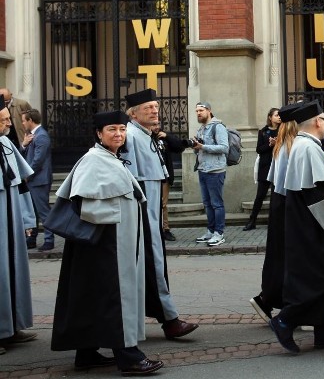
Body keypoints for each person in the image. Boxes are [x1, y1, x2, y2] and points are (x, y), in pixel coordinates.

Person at [50, 110, 164, 375]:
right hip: (107, 244)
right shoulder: (94, 160)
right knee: (115, 297)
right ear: (99, 133)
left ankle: (86, 352)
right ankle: (129, 357)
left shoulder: (110, 158)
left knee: (92, 295)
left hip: (107, 244)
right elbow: (86, 204)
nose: (118, 134)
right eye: (112, 129)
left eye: (122, 130)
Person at [269, 101, 324, 353]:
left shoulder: (303, 146)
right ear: (317, 122)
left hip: (310, 222)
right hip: (315, 225)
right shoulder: (308, 148)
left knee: (323, 276)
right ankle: (284, 320)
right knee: (320, 277)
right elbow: (321, 192)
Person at [123, 88, 198, 339]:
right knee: (151, 262)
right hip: (143, 207)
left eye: (156, 107)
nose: (155, 111)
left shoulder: (146, 134)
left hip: (152, 205)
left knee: (154, 262)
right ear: (134, 114)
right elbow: (130, 176)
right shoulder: (131, 136)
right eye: (148, 108)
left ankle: (167, 318)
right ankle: (169, 320)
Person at [249, 102, 303, 323]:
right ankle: (276, 301)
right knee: (287, 257)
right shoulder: (293, 147)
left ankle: (267, 297)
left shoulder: (282, 145)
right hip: (288, 205)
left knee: (278, 256)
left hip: (280, 203)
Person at [0, 98, 36, 352]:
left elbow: (21, 184)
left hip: (10, 221)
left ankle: (11, 327)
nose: (7, 123)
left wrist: (27, 219)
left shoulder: (6, 144)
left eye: (6, 118)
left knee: (13, 270)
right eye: (2, 119)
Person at [192, 101, 229, 247]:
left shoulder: (217, 127)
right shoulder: (201, 129)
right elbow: (199, 149)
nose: (198, 113)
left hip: (215, 171)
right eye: (196, 111)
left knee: (216, 204)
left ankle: (219, 233)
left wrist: (203, 146)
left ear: (209, 111)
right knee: (207, 204)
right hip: (203, 169)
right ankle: (210, 230)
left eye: (201, 110)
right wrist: (196, 146)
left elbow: (224, 147)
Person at [21, 109, 54, 251]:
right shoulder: (32, 136)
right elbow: (21, 155)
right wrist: (23, 144)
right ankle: (32, 239)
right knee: (32, 212)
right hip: (33, 180)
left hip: (39, 180)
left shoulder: (41, 136)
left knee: (43, 212)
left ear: (30, 121)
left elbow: (38, 160)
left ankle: (49, 240)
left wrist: (27, 175)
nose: (22, 123)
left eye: (23, 120)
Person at [245, 107, 282, 231]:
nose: (279, 117)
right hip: (266, 167)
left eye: (279, 115)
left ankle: (275, 222)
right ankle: (252, 220)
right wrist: (270, 145)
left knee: (276, 196)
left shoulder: (283, 130)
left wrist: (278, 142)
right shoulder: (263, 131)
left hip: (279, 166)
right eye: (276, 115)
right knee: (260, 195)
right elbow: (259, 149)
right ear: (270, 117)